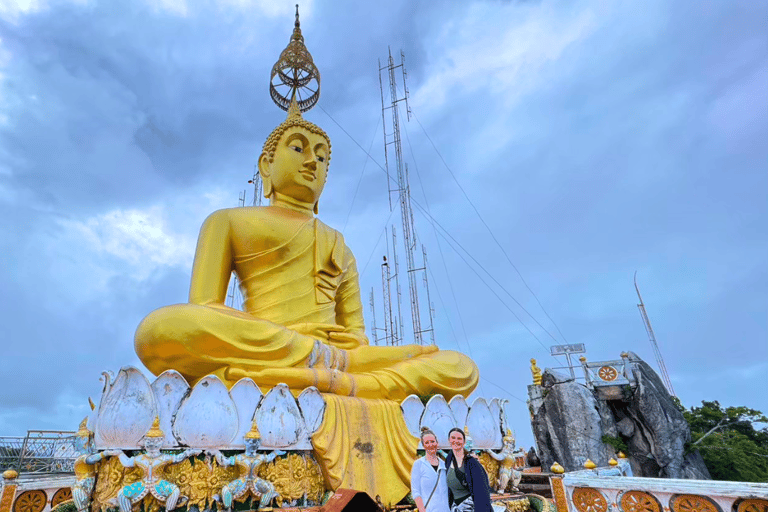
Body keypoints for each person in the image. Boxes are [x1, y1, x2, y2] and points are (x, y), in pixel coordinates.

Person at [134, 99, 478, 401]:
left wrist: (346, 352)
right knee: (159, 331)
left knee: (462, 368)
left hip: (341, 359)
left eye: (323, 157)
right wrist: (297, 340)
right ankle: (338, 374)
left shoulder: (339, 244)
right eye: (298, 149)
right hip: (271, 343)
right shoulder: (227, 221)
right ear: (266, 165)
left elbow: (356, 337)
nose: (313, 162)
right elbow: (205, 307)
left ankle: (338, 377)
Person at [444, 428, 492, 512]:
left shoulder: (472, 463)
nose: (456, 441)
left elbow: (482, 492)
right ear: (449, 440)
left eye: (459, 438)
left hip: (470, 507)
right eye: (453, 438)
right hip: (455, 507)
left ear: (464, 442)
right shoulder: (449, 460)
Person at [411, 427, 449, 512]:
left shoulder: (444, 465)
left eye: (432, 441)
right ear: (423, 445)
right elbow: (415, 491)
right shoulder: (418, 464)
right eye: (427, 443)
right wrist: (422, 509)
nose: (431, 445)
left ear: (437, 442)